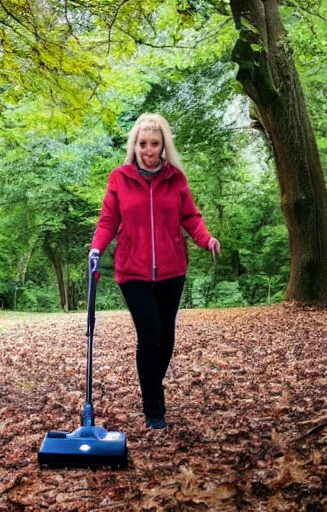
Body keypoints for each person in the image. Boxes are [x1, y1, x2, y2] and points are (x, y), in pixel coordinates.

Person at [89, 113, 220, 429]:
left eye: (154, 144)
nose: (148, 150)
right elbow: (109, 221)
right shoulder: (119, 178)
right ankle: (153, 408)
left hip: (172, 269)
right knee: (150, 334)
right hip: (132, 271)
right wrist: (97, 247)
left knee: (167, 336)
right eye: (142, 143)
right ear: (134, 144)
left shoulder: (176, 179)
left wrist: (206, 239)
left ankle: (150, 384)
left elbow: (191, 217)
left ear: (163, 146)